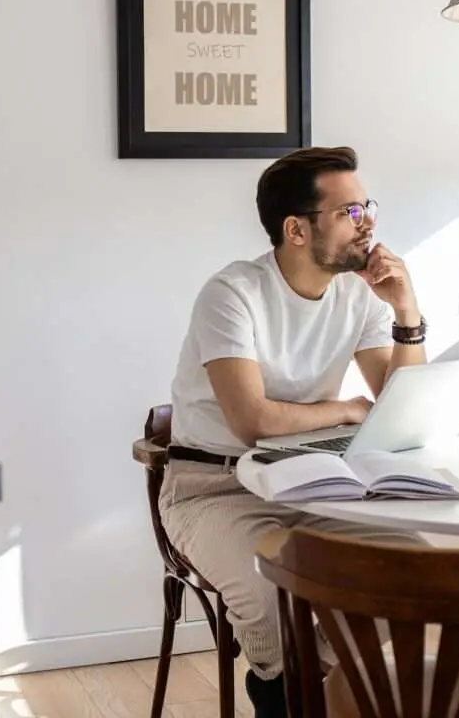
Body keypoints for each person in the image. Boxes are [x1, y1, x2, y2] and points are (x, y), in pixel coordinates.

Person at [160, 146, 429, 717]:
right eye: (349, 211)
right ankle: (290, 684)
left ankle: (297, 680)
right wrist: (346, 409)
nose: (369, 222)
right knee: (270, 594)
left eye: (367, 207)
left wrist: (406, 311)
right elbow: (252, 420)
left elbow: (402, 411)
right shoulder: (232, 295)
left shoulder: (361, 294)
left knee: (417, 570)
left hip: (318, 481)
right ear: (296, 230)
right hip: (214, 488)